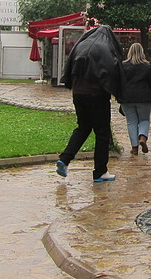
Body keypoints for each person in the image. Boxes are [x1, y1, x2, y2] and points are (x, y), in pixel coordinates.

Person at [56, 25, 124, 183]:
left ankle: (65, 159)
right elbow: (113, 72)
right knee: (102, 133)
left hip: (78, 94)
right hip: (97, 95)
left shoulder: (81, 45)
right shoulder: (105, 48)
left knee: (83, 127)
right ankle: (100, 171)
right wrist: (119, 94)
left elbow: (70, 69)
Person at [119, 43, 151, 155]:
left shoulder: (123, 66)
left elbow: (119, 82)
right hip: (144, 97)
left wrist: (119, 96)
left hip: (127, 98)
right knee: (144, 120)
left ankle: (134, 147)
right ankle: (142, 137)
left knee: (131, 122)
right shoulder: (147, 66)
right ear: (142, 52)